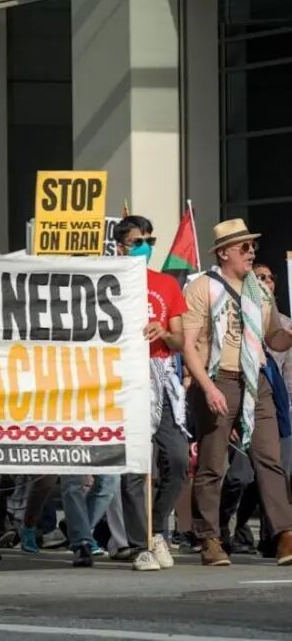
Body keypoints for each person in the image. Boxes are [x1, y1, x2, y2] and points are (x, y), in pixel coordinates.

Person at [181, 219, 292, 566]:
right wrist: (208, 387)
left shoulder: (260, 290)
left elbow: (274, 338)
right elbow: (188, 345)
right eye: (244, 247)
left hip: (256, 381)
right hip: (219, 378)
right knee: (213, 464)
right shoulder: (202, 287)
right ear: (224, 252)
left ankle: (284, 534)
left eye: (252, 246)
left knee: (269, 460)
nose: (251, 252)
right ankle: (210, 538)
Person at [110, 216, 192, 572]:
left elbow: (178, 340)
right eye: (137, 240)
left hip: (159, 378)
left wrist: (163, 331)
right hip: (125, 379)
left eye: (149, 240)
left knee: (176, 459)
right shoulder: (109, 284)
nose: (145, 246)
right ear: (120, 246)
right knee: (135, 464)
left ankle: (157, 528)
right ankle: (139, 542)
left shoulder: (167, 285)